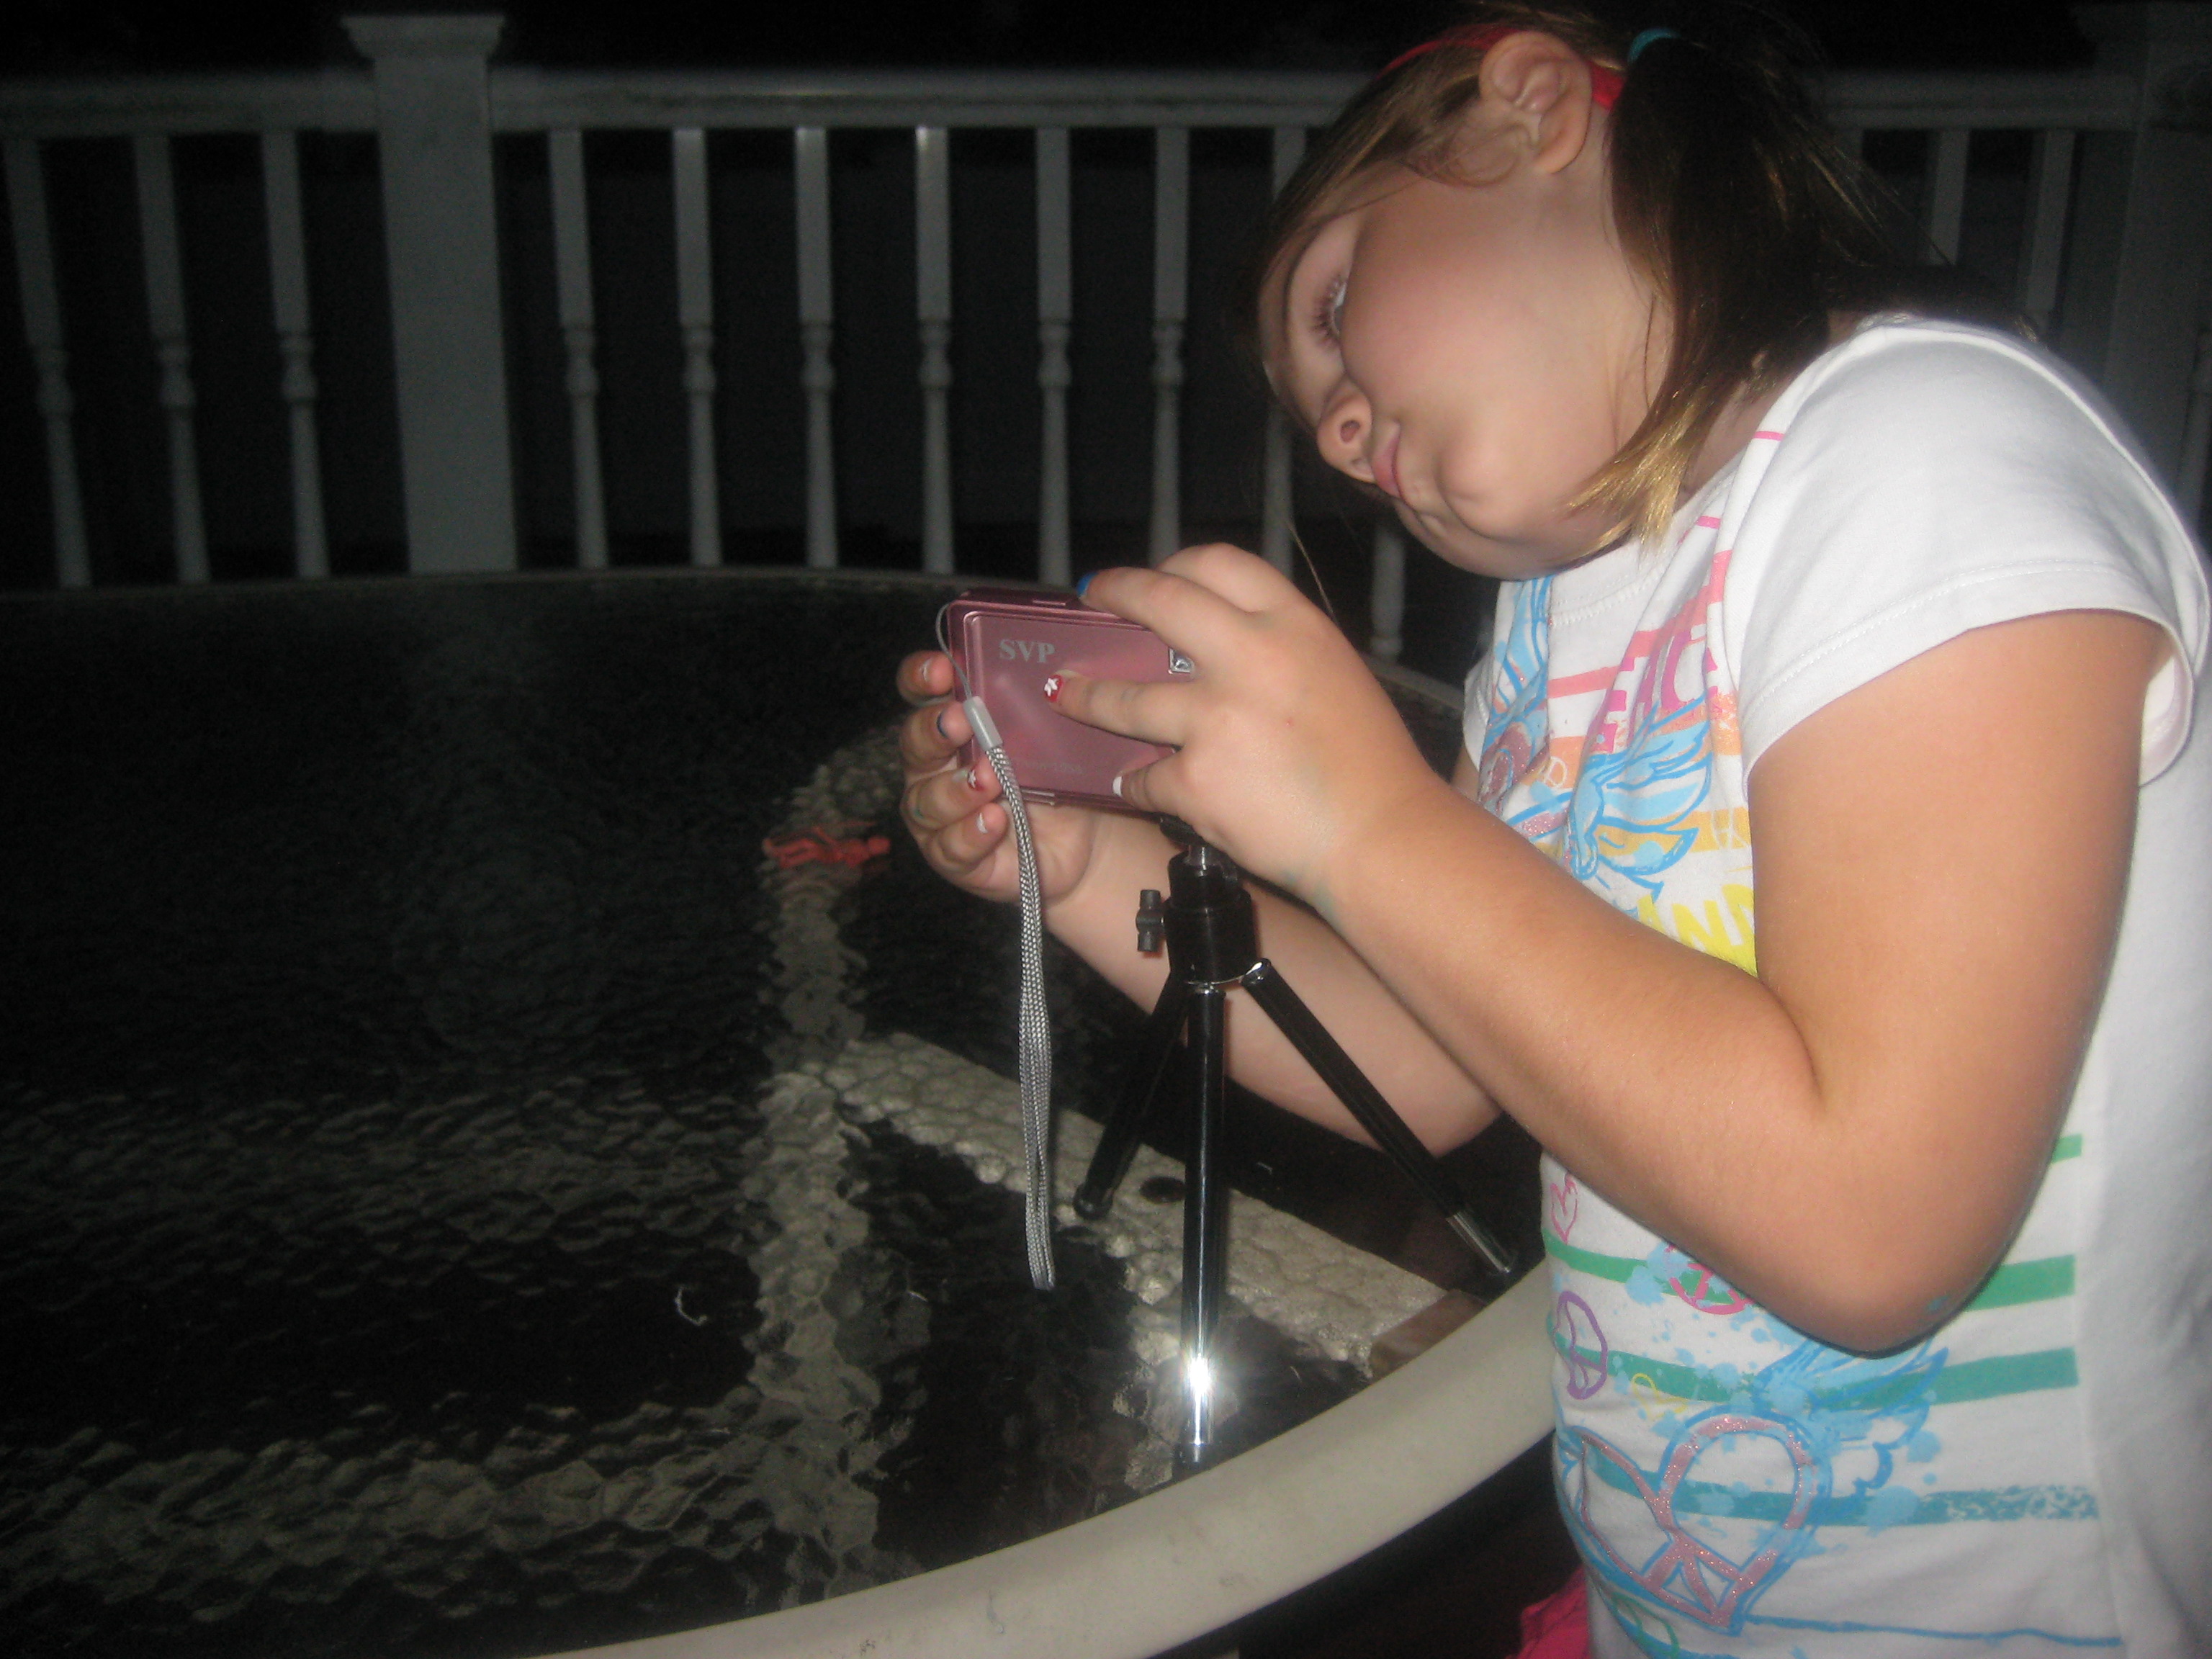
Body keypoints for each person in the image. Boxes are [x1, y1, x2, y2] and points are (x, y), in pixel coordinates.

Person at [895, 4, 2212, 1653]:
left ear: (1529, 109)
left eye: (1334, 308)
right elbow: (1429, 1063)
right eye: (1323, 432)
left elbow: (1875, 1226)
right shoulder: (1559, 629)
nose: (1343, 435)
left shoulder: (1926, 451)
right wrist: (1086, 866)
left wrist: (1366, 819)